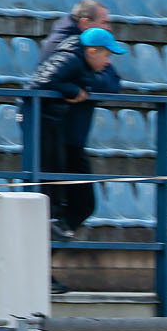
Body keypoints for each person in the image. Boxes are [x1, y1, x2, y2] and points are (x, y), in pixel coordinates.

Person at [31, 25, 125, 242]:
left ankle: (52, 237)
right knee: (49, 187)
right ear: (92, 51)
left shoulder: (82, 62)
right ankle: (47, 237)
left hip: (56, 127)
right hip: (46, 125)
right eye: (107, 54)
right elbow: (42, 80)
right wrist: (74, 90)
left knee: (76, 199)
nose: (108, 61)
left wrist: (84, 84)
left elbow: (113, 84)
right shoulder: (70, 58)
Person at [35, 0, 112, 67]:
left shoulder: (84, 43)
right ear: (85, 23)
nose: (109, 29)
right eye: (104, 23)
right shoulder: (66, 47)